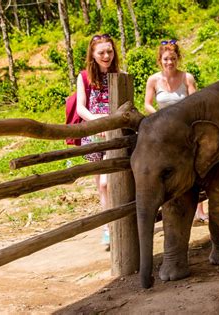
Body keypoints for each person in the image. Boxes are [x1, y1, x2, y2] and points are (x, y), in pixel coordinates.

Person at [144, 39, 208, 223]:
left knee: (193, 166)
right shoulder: (153, 80)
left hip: (185, 128)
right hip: (162, 129)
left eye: (172, 58)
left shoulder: (187, 78)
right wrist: (159, 116)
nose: (169, 62)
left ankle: (199, 209)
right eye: (165, 59)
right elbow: (147, 104)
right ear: (160, 60)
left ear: (177, 58)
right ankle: (165, 205)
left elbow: (196, 102)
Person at [76, 34, 120, 249]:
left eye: (109, 51)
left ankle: (116, 223)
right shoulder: (84, 77)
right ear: (92, 54)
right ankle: (107, 228)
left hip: (115, 136)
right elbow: (80, 108)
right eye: (101, 52)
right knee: (101, 187)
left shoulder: (119, 75)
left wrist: (110, 124)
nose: (106, 56)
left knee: (108, 183)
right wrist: (97, 122)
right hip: (93, 136)